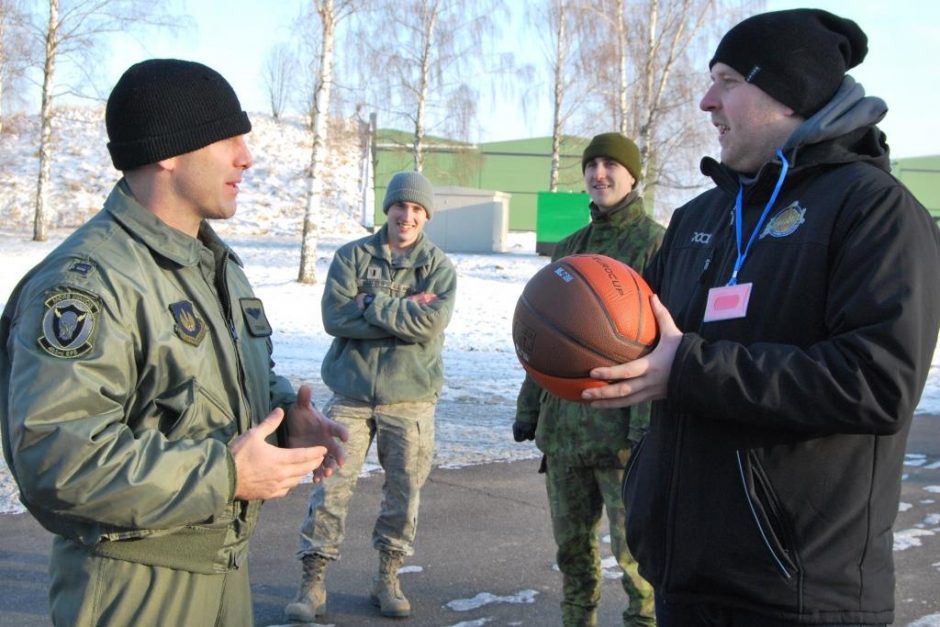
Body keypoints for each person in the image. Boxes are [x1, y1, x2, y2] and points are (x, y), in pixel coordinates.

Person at [581, 9, 940, 626]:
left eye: (726, 80)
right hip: (684, 575)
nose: (704, 101)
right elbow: (645, 342)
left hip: (800, 596)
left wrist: (689, 368)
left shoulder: (875, 211)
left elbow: (879, 382)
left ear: (788, 92)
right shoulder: (699, 219)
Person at [0, 59, 349, 626]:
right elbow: (57, 459)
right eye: (229, 138)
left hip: (221, 572)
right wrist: (226, 476)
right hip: (133, 587)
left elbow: (205, 388)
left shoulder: (212, 263)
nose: (247, 157)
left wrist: (285, 422)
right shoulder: (87, 284)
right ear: (168, 150)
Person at [286, 171, 457, 621]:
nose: (408, 216)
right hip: (351, 395)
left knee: (404, 493)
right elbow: (335, 317)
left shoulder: (437, 266)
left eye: (417, 210)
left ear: (426, 216)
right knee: (330, 489)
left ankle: (388, 577)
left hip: (411, 398)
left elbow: (429, 326)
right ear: (389, 209)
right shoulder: (353, 256)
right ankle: (313, 582)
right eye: (401, 206)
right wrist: (402, 310)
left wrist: (370, 303)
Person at [513, 132, 663, 626]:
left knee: (637, 561)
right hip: (565, 438)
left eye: (611, 165)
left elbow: (662, 343)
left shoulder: (654, 243)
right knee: (573, 556)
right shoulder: (571, 246)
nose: (600, 174)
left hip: (623, 439)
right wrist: (529, 407)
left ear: (633, 174)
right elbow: (546, 340)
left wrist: (642, 428)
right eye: (592, 165)